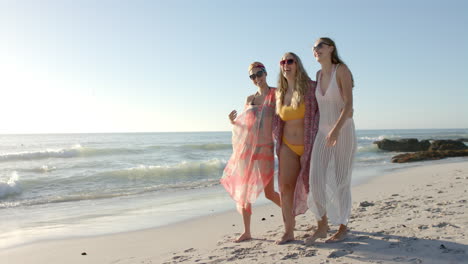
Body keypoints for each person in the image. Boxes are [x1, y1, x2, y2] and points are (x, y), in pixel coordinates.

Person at [221, 62, 281, 243]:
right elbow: (245, 124)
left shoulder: (276, 94)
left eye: (259, 73)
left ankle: (290, 217)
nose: (257, 78)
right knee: (244, 191)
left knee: (270, 193)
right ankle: (247, 231)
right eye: (253, 76)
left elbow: (285, 118)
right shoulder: (250, 99)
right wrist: (232, 122)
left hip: (265, 148)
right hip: (247, 150)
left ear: (266, 73)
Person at [306, 37, 357, 243]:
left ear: (331, 49)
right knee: (315, 179)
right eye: (313, 47)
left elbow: (349, 106)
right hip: (322, 132)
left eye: (320, 46)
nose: (315, 49)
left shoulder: (341, 70)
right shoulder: (318, 75)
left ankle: (343, 227)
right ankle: (322, 225)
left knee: (341, 179)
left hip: (342, 130)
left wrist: (336, 130)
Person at [274, 52, 319, 244]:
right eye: (282, 62)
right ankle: (288, 231)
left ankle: (321, 225)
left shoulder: (311, 88)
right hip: (287, 147)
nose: (286, 64)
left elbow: (326, 109)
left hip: (309, 145)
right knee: (285, 188)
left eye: (289, 61)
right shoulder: (279, 93)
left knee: (313, 188)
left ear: (297, 64)